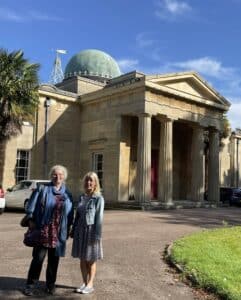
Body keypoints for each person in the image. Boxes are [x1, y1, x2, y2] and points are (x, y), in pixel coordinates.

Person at [23, 165, 74, 296]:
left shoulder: (67, 193)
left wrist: (68, 228)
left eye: (61, 175)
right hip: (43, 229)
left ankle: (50, 285)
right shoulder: (42, 189)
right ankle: (31, 284)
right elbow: (31, 206)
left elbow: (70, 214)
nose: (58, 177)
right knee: (38, 258)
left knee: (54, 260)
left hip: (58, 231)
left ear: (64, 177)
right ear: (51, 176)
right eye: (55, 174)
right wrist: (30, 220)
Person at [71, 171, 104, 294]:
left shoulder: (98, 198)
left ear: (95, 183)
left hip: (91, 231)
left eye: (91, 180)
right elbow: (77, 216)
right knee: (82, 259)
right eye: (87, 180)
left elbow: (99, 219)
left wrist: (97, 235)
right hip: (80, 230)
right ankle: (84, 283)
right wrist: (73, 230)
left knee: (91, 259)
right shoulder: (81, 197)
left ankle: (90, 284)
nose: (88, 182)